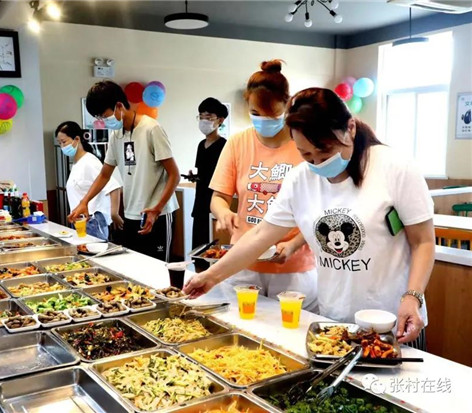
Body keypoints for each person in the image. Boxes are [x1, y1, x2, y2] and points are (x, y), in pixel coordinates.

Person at [185, 88, 435, 348]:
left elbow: (423, 242)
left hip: (393, 321)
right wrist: (211, 277)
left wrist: (413, 296)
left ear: (350, 128)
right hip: (333, 321)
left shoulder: (395, 168)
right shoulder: (300, 179)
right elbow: (260, 236)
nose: (318, 163)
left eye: (325, 153)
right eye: (306, 155)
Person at [207, 60, 318, 310]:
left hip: (293, 267)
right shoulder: (238, 142)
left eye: (272, 114)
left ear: (287, 106)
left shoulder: (303, 144)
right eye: (256, 113)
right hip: (243, 261)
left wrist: (294, 244)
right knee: (240, 326)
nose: (263, 120)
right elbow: (218, 197)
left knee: (290, 329)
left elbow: (318, 210)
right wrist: (223, 213)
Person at [69, 81, 180, 261]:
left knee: (160, 269)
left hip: (157, 215)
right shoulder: (116, 135)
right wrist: (84, 202)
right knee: (134, 268)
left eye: (104, 115)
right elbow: (105, 174)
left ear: (119, 106)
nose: (103, 121)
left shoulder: (152, 129)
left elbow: (174, 175)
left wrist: (157, 209)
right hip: (131, 214)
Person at [55, 121, 123, 240]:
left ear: (77, 139)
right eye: (59, 143)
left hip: (92, 222)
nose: (62, 146)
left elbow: (114, 186)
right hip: (81, 222)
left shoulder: (89, 162)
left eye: (64, 142)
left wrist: (114, 214)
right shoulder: (77, 164)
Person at [191, 97, 228, 272]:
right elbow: (202, 172)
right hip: (199, 203)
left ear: (220, 120)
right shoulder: (201, 145)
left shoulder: (224, 146)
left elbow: (224, 176)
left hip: (215, 203)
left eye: (209, 117)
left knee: (213, 253)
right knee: (198, 251)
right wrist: (194, 177)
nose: (204, 121)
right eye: (201, 117)